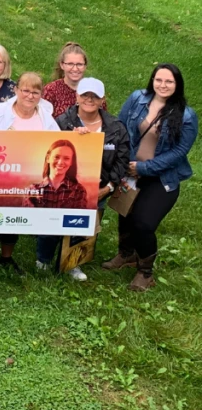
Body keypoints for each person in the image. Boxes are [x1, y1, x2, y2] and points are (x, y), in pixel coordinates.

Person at [112, 64, 196, 291]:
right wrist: (122, 163)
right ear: (152, 80)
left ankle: (145, 272)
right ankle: (126, 254)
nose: (163, 85)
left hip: (161, 178)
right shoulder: (137, 99)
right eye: (159, 80)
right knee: (124, 212)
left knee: (143, 223)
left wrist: (144, 168)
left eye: (169, 81)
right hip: (130, 172)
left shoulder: (187, 115)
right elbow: (119, 127)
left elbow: (179, 153)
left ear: (177, 85)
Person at [0, 71, 59, 273]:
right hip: (0, 174)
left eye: (35, 92)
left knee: (18, 216)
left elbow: (56, 145)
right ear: (16, 90)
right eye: (25, 90)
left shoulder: (47, 119)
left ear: (41, 94)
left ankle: (16, 258)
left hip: (32, 177)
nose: (30, 96)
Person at [58, 78, 128, 278]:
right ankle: (44, 259)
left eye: (95, 96)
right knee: (55, 227)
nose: (90, 99)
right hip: (65, 187)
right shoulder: (62, 122)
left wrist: (108, 188)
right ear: (77, 97)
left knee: (86, 226)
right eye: (85, 95)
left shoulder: (116, 127)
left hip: (99, 188)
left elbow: (121, 161)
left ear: (102, 99)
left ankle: (74, 263)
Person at [29, 138, 92, 278]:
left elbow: (80, 216)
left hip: (68, 226)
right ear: (48, 158)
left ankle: (72, 264)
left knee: (80, 227)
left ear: (71, 162)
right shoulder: (34, 188)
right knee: (47, 229)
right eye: (56, 157)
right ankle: (43, 262)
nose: (60, 162)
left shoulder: (78, 189)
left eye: (66, 158)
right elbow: (29, 216)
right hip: (44, 228)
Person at [43, 42, 96, 118]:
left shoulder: (94, 91)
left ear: (85, 66)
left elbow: (104, 122)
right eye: (70, 64)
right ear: (62, 65)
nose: (75, 69)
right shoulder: (50, 91)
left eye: (79, 64)